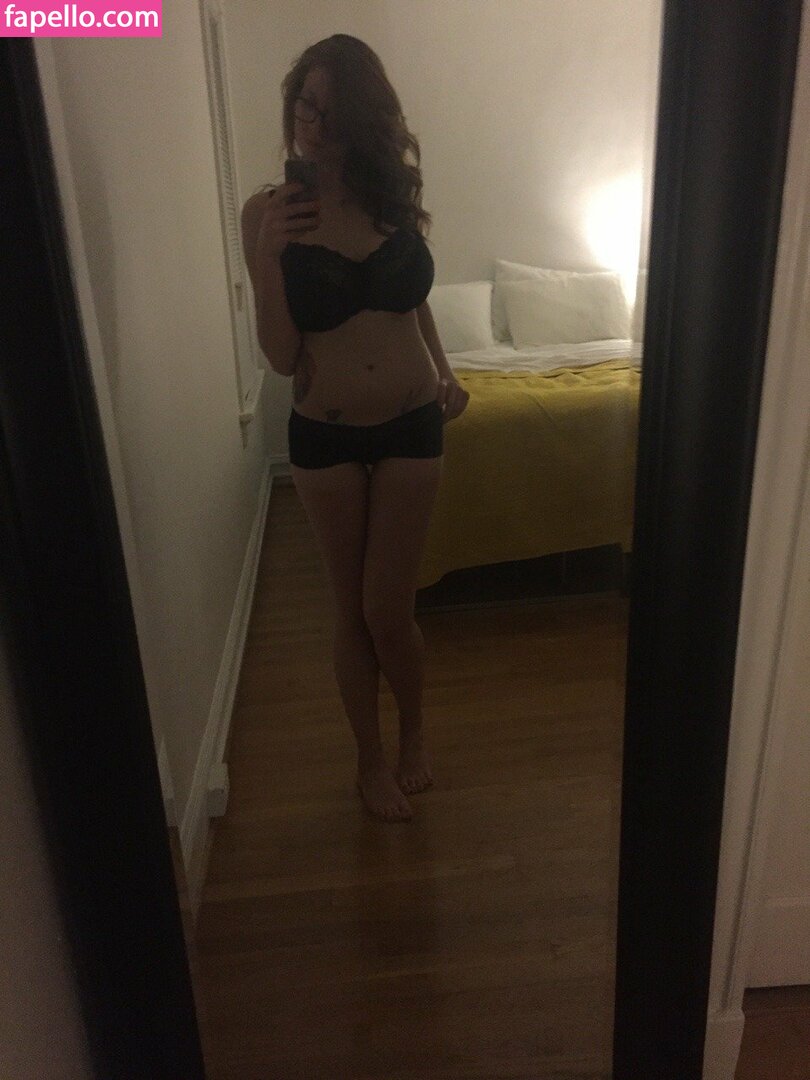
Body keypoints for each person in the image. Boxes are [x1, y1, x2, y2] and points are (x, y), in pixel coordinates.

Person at [240, 34, 469, 823]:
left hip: (412, 420)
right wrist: (270, 255)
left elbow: (411, 298)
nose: (312, 126)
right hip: (326, 434)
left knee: (389, 611)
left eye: (332, 115)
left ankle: (414, 734)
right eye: (305, 105)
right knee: (351, 611)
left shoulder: (389, 197)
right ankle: (368, 761)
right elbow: (279, 356)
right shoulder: (267, 214)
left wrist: (446, 369)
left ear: (365, 122)